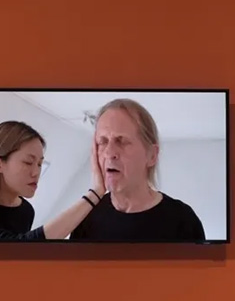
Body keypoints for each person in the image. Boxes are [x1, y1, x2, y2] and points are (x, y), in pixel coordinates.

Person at [66, 97, 208, 244]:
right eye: (103, 142)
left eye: (121, 141)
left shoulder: (183, 221)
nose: (109, 153)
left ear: (151, 155)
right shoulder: (86, 217)